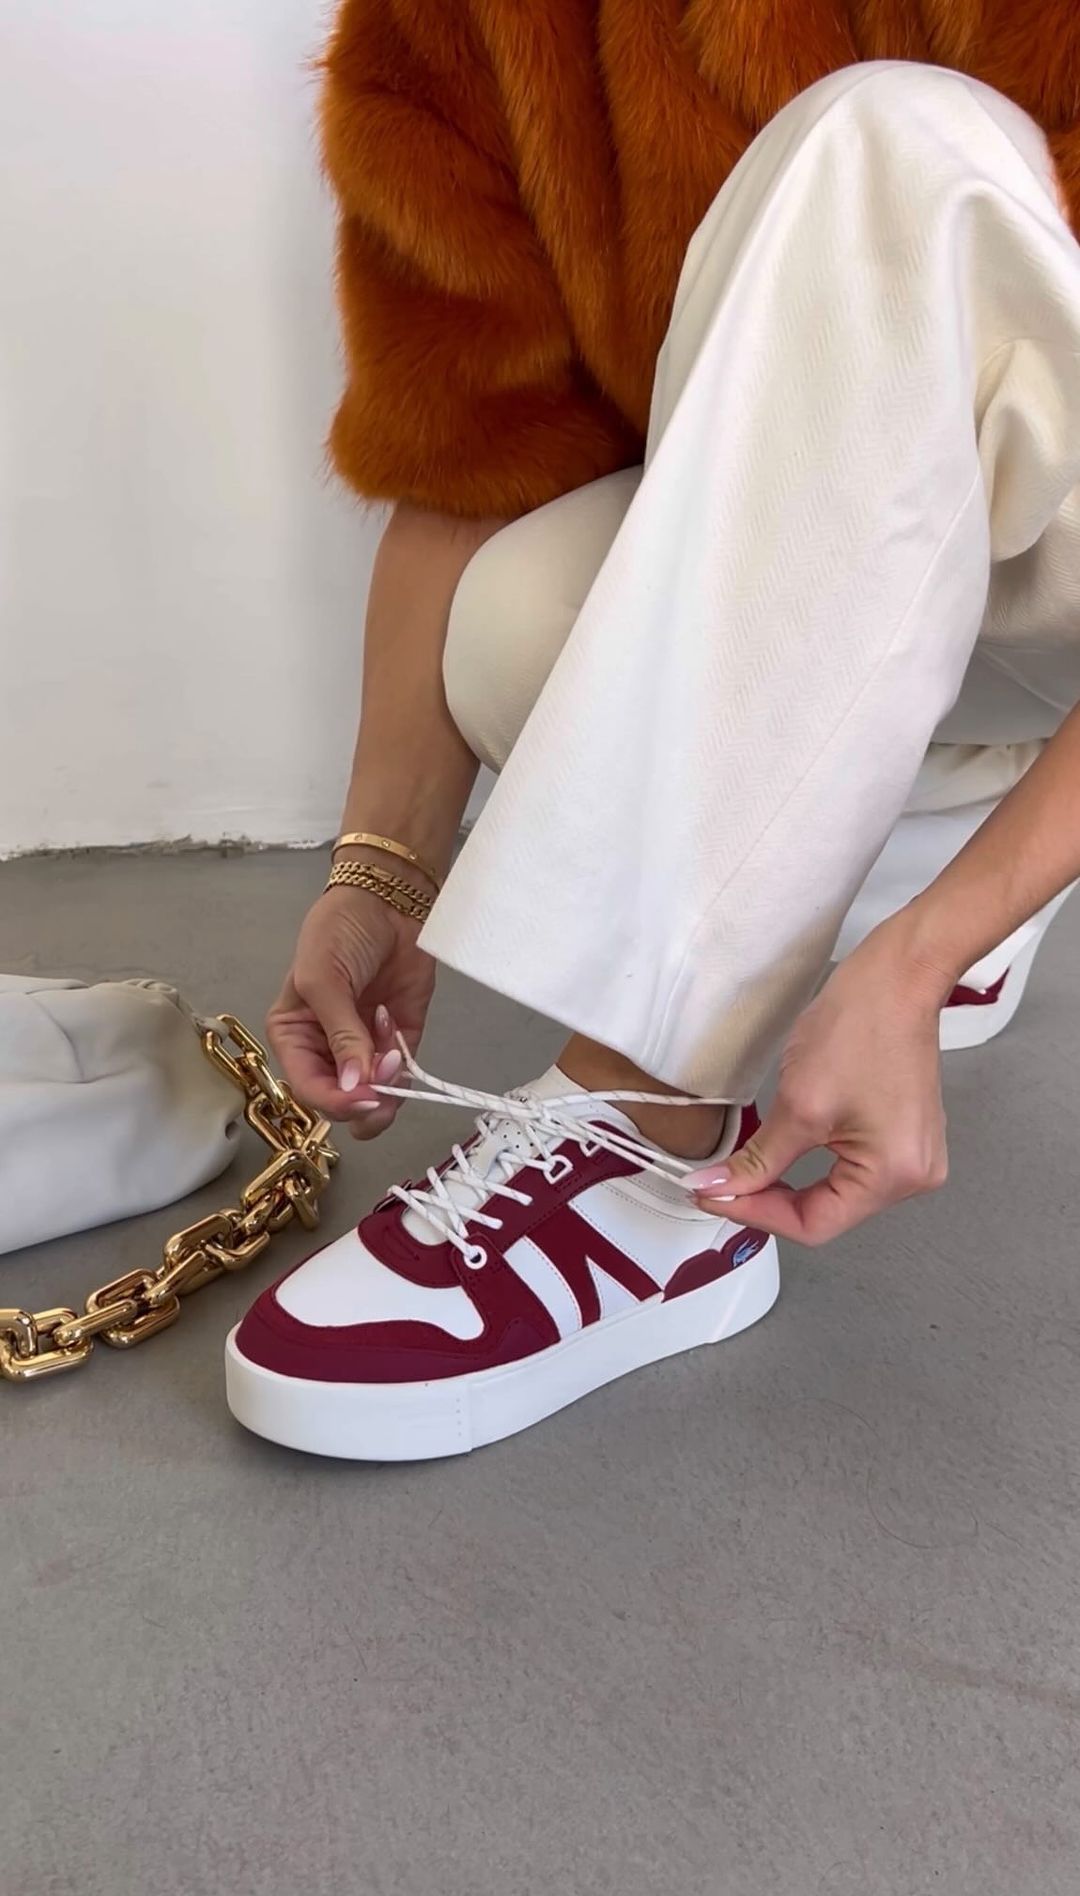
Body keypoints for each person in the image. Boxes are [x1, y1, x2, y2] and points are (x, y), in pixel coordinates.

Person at [225, 5, 1080, 1461]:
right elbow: (471, 448)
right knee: (515, 628)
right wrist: (380, 877)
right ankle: (919, 826)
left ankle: (651, 1147)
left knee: (893, 145)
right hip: (892, 579)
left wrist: (924, 953)